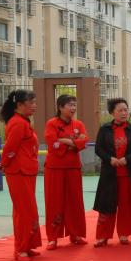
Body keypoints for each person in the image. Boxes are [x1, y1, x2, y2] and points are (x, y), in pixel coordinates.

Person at [93, 98, 131, 247]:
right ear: (112, 112)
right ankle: (102, 236)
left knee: (126, 205)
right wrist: (110, 159)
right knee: (106, 206)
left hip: (128, 175)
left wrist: (126, 159)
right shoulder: (104, 129)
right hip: (109, 174)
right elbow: (98, 149)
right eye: (120, 110)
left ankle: (124, 234)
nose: (124, 113)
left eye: (125, 110)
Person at [0, 89, 42, 261]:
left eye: (35, 102)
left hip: (26, 171)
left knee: (27, 210)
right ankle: (21, 249)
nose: (34, 106)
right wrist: (4, 163)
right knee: (24, 211)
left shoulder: (23, 121)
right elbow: (10, 148)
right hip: (19, 172)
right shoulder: (18, 123)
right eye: (31, 102)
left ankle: (27, 245)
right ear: (19, 105)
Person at [43, 94, 88, 250]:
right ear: (60, 107)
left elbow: (84, 141)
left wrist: (66, 141)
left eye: (74, 105)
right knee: (54, 202)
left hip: (73, 167)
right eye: (70, 105)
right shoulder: (51, 123)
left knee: (75, 201)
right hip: (54, 168)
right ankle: (52, 238)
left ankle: (75, 234)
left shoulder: (79, 124)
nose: (73, 108)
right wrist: (74, 143)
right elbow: (52, 143)